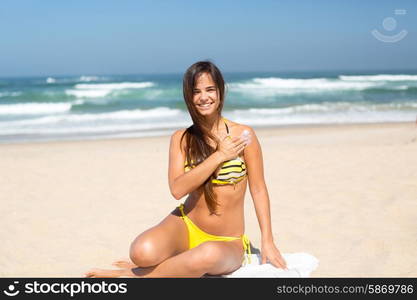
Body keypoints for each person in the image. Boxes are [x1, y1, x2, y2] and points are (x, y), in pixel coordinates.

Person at [84, 61, 287, 278]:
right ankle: (158, 264)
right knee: (141, 251)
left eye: (210, 90)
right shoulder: (181, 139)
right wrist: (219, 156)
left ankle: (135, 276)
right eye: (196, 92)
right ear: (188, 97)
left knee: (207, 254)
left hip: (226, 242)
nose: (204, 97)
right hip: (187, 226)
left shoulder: (244, 135)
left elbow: (258, 189)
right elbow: (177, 190)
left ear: (220, 92)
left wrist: (268, 241)